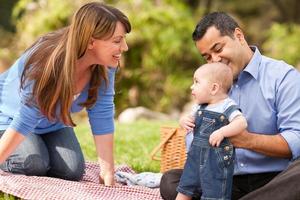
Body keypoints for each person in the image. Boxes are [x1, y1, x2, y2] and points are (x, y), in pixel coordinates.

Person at [160, 11, 300, 200]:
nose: (215, 60)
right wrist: (195, 131)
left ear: (239, 36)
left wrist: (246, 140)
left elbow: (296, 139)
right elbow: (195, 143)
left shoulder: (282, 77)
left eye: (218, 49)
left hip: (274, 179)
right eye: (207, 57)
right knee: (171, 181)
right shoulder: (210, 85)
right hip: (225, 180)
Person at [0, 2, 131, 186]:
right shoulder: (46, 61)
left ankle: (38, 148)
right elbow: (25, 119)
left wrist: (107, 172)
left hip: (52, 123)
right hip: (8, 118)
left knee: (71, 170)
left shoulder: (106, 65)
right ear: (91, 41)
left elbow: (102, 113)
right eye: (117, 41)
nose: (124, 47)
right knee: (33, 164)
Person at [176, 63, 247, 200]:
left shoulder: (227, 105)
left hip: (216, 160)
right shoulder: (199, 106)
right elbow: (189, 118)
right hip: (195, 156)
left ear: (214, 88)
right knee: (186, 185)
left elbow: (241, 122)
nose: (192, 86)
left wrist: (222, 132)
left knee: (214, 191)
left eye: (196, 82)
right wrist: (183, 120)